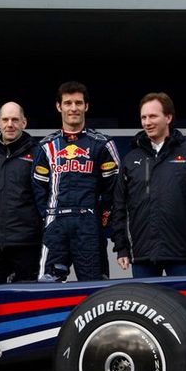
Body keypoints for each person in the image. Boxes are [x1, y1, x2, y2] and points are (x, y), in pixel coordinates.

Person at [113, 92, 186, 277]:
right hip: (142, 253)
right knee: (145, 305)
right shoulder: (131, 159)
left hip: (182, 253)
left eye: (153, 116)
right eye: (143, 117)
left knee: (182, 305)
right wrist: (121, 247)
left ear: (168, 117)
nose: (147, 122)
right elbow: (120, 206)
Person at [32, 81, 119, 282]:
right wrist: (47, 217)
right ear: (58, 106)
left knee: (94, 286)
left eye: (78, 103)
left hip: (88, 223)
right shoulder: (46, 146)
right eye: (68, 103)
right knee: (48, 284)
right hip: (56, 222)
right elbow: (38, 188)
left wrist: (101, 219)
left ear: (86, 106)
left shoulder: (102, 143)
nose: (73, 108)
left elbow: (113, 188)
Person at [0, 102, 42, 283]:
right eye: (5, 119)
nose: (10, 124)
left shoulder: (38, 155)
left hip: (26, 244)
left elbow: (44, 197)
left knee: (27, 301)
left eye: (15, 119)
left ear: (24, 122)